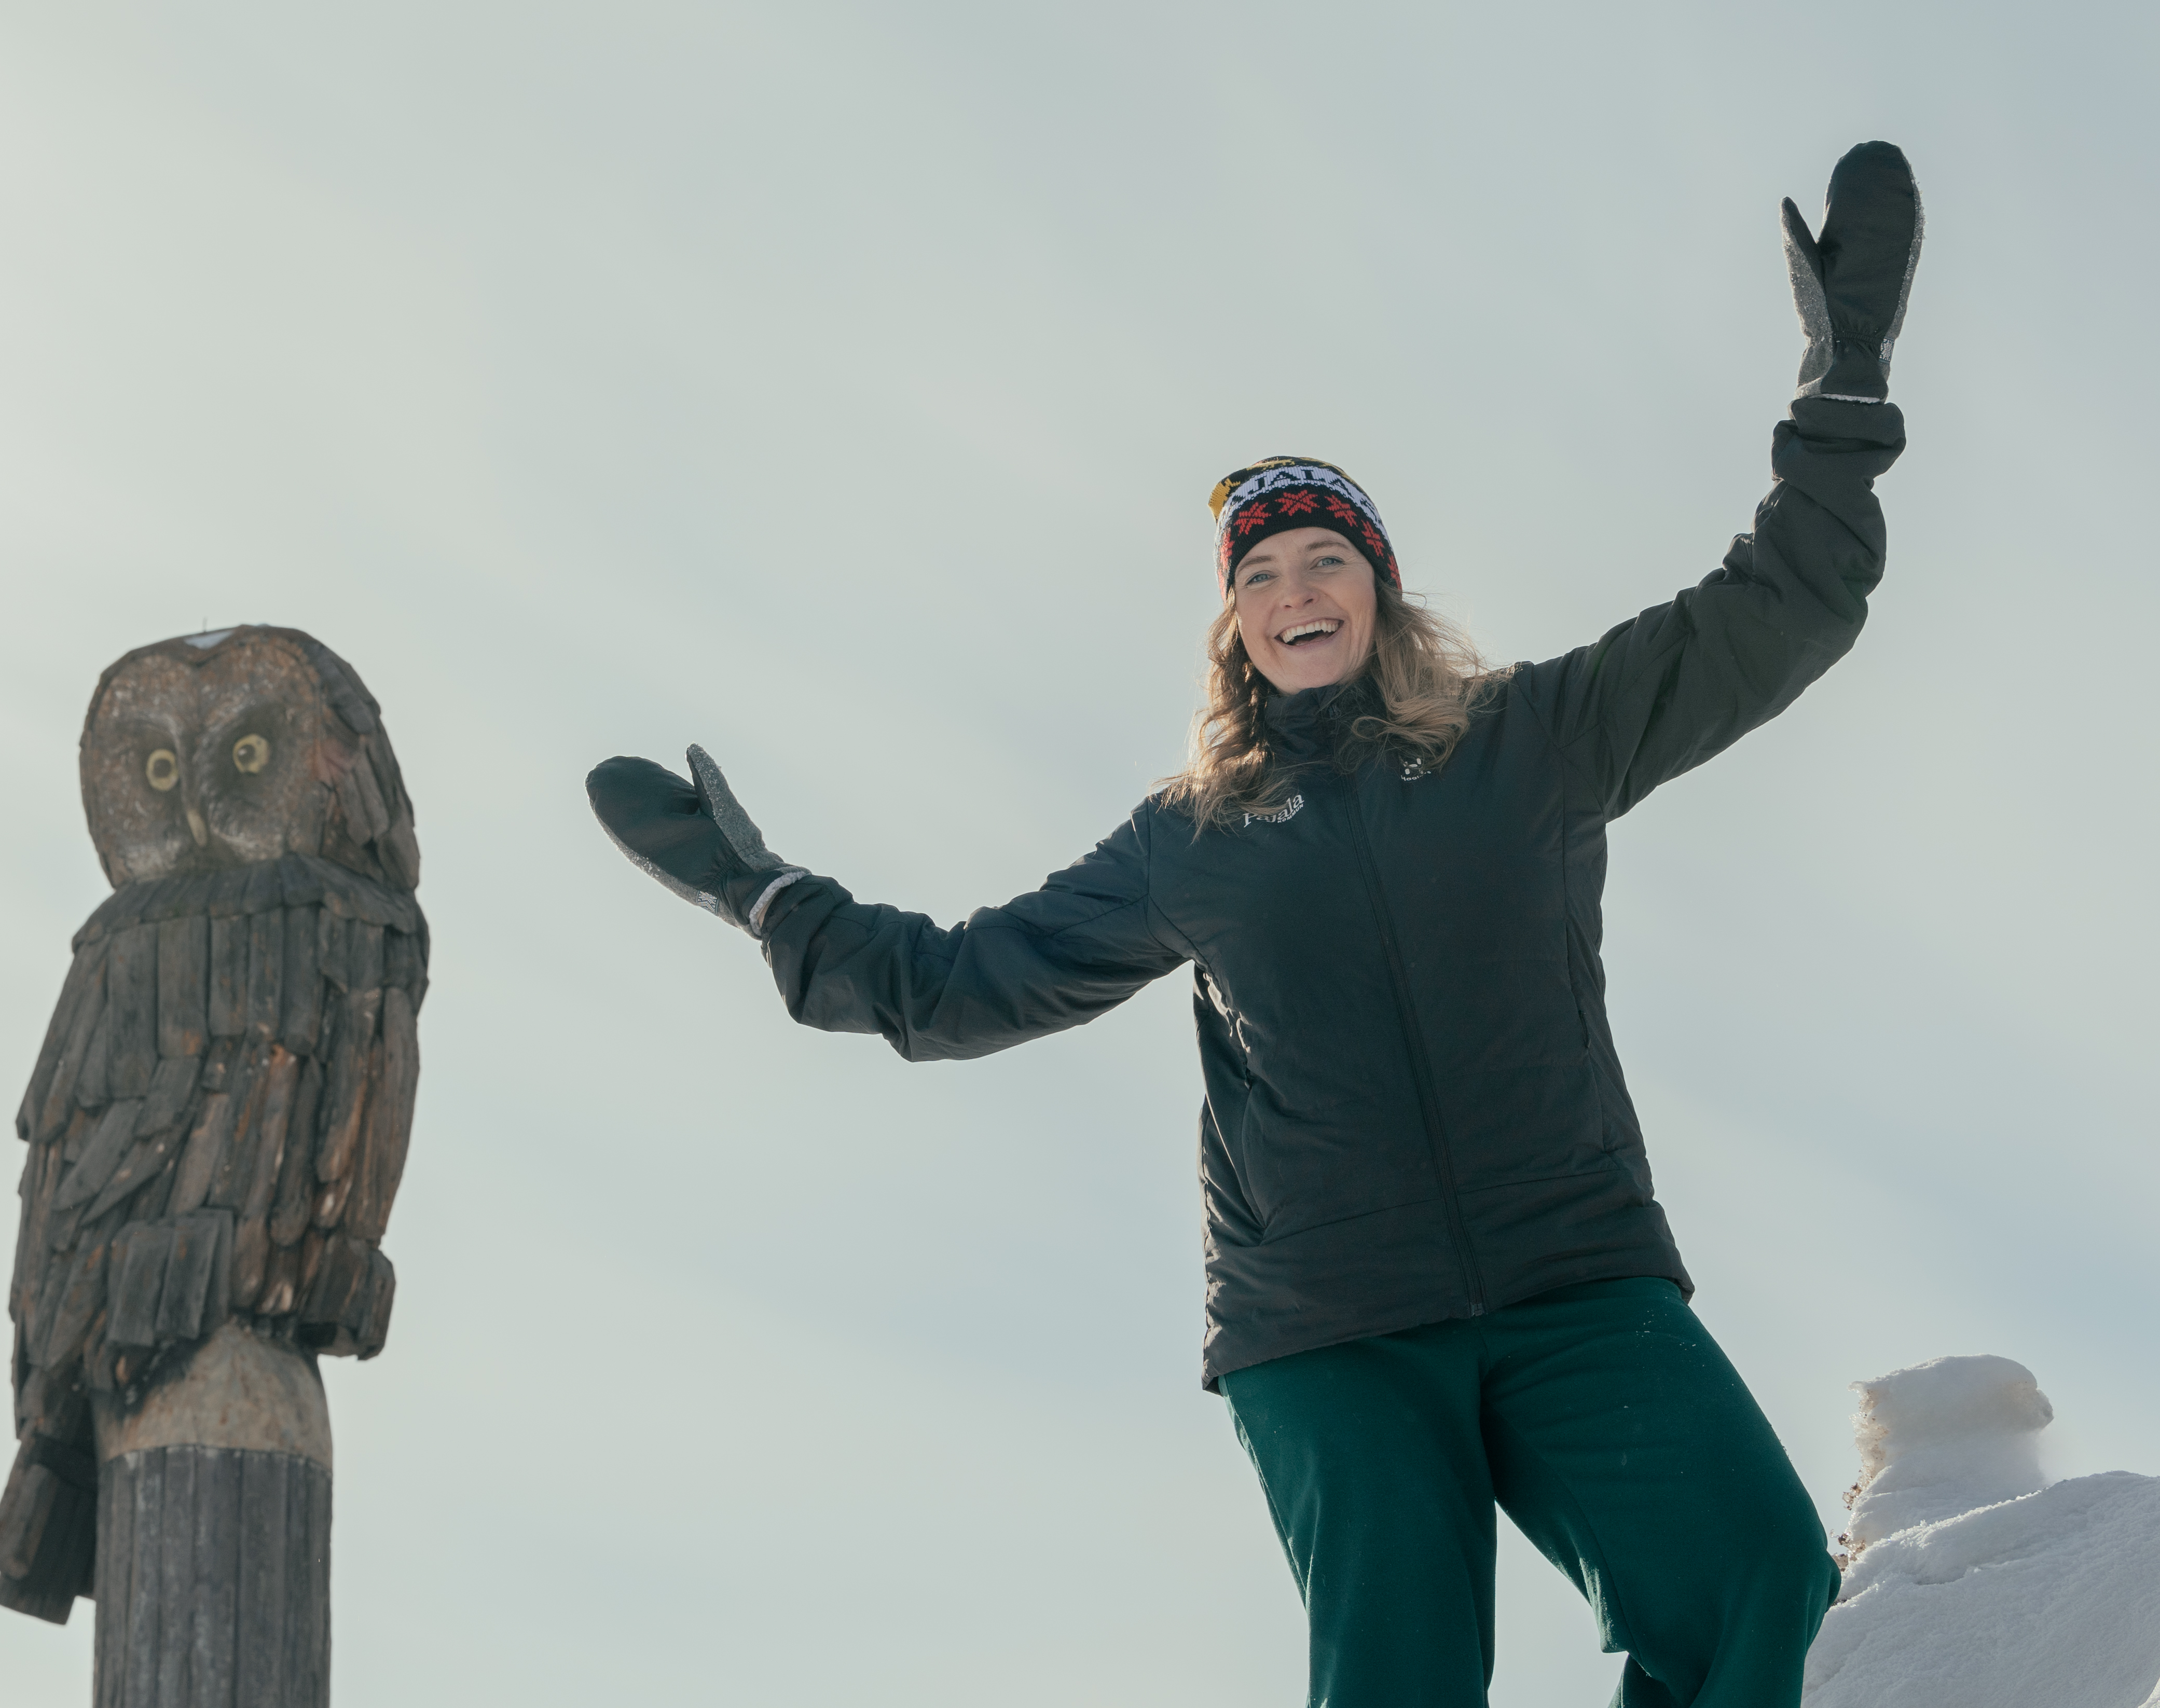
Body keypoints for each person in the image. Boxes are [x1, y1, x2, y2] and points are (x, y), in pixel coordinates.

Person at [586, 142, 1921, 1708]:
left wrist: (1839, 405)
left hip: (1576, 1279)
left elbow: (1776, 608)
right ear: (1234, 619)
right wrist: (766, 896)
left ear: (1381, 587)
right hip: (1331, 1329)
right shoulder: (1189, 837)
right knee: (1400, 1682)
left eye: (1327, 559)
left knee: (1756, 1578)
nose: (1298, 589)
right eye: (1264, 572)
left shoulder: (1534, 737)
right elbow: (957, 983)